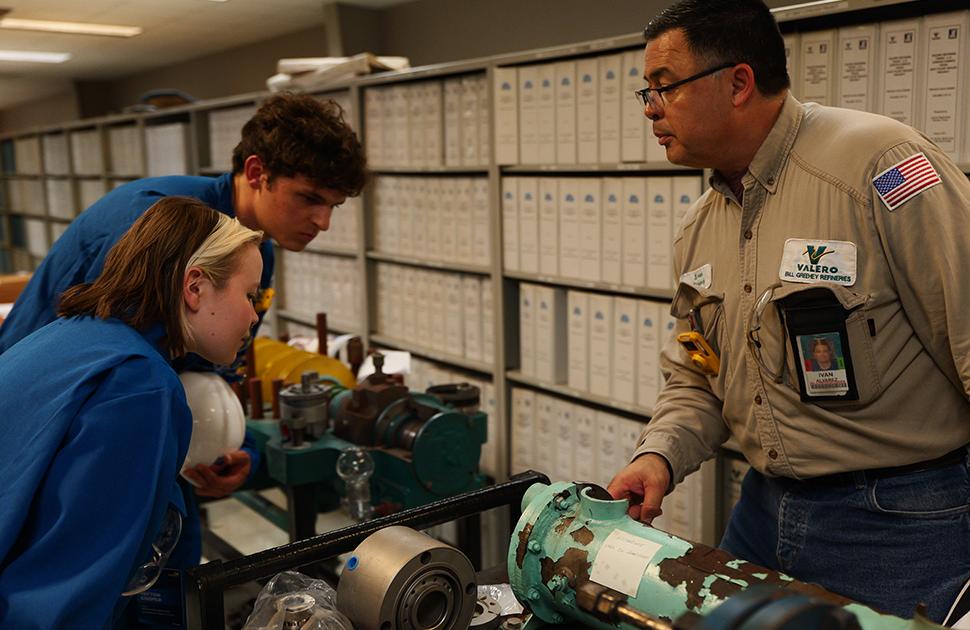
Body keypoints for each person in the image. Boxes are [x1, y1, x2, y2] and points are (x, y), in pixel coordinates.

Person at [607, 0, 970, 621]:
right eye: (647, 91)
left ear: (739, 82)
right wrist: (658, 455)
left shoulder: (881, 165)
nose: (649, 108)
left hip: (901, 522)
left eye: (664, 87)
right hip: (765, 511)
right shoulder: (699, 227)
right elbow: (699, 372)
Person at [0, 93, 367, 567]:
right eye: (310, 199)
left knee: (170, 564)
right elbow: (119, 384)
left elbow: (212, 367)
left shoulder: (255, 252)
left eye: (334, 205)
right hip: (49, 426)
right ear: (256, 173)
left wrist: (238, 448)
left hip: (126, 423)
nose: (323, 222)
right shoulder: (157, 226)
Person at [0, 197, 263, 629]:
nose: (253, 315)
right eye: (249, 294)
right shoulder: (136, 385)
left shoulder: (75, 337)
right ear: (194, 286)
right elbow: (66, 594)